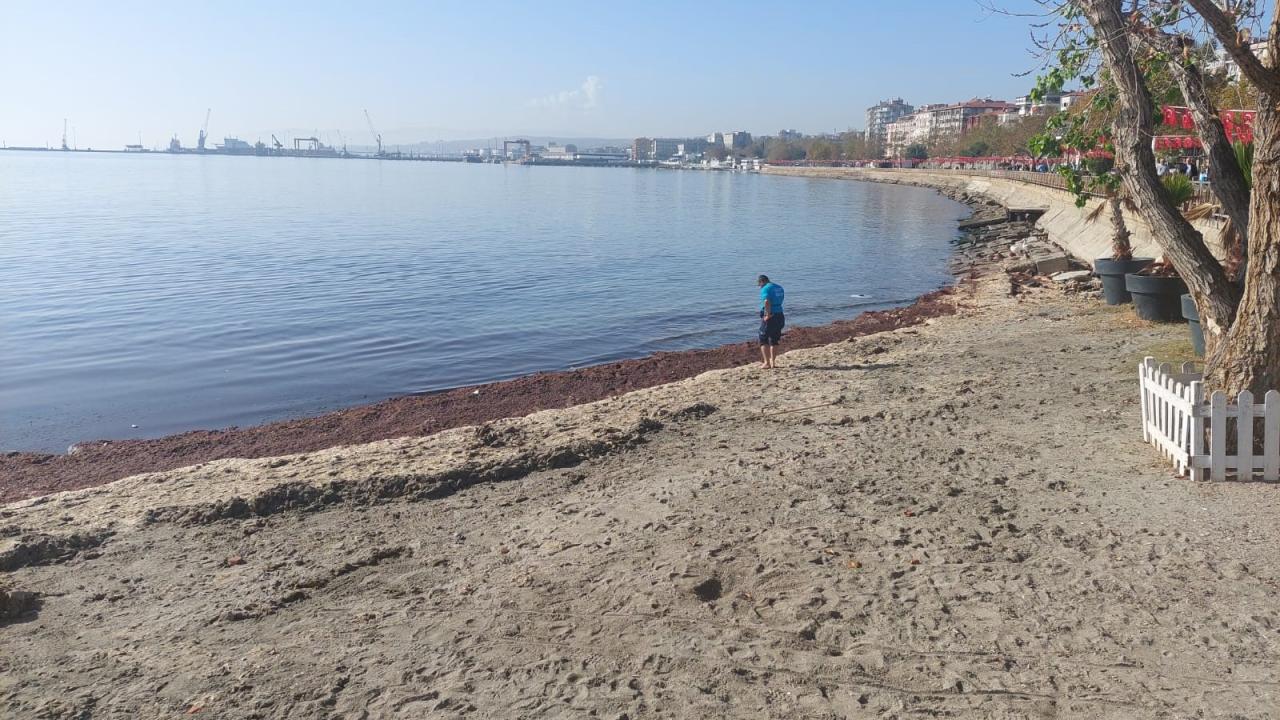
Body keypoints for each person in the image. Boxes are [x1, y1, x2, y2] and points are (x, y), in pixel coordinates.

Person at [757, 274, 785, 369]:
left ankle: (767, 363)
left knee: (763, 338)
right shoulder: (779, 287)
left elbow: (766, 301)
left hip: (771, 316)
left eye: (759, 285)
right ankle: (773, 362)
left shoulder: (766, 288)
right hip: (780, 314)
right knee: (774, 339)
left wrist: (767, 315)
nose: (760, 287)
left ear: (762, 281)